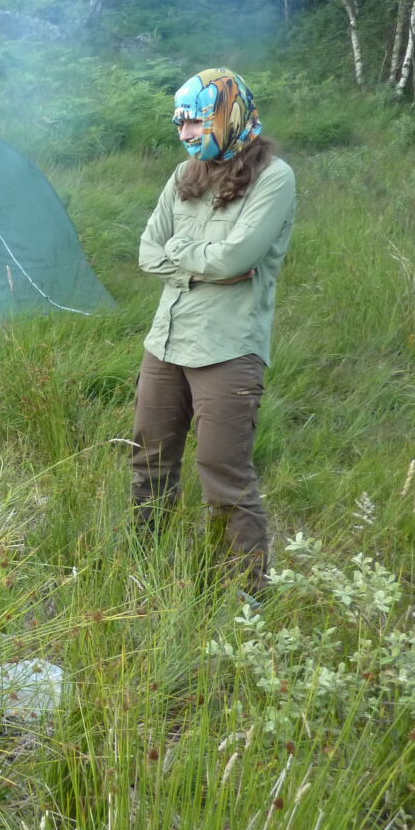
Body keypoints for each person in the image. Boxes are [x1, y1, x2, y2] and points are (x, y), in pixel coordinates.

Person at [130, 68, 296, 596]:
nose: (185, 132)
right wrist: (203, 262)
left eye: (197, 120)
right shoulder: (184, 174)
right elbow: (146, 252)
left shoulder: (274, 178)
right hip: (166, 341)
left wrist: (185, 258)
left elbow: (239, 257)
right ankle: (144, 565)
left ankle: (248, 597)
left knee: (223, 475)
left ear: (229, 114)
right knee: (149, 459)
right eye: (179, 122)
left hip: (229, 349)